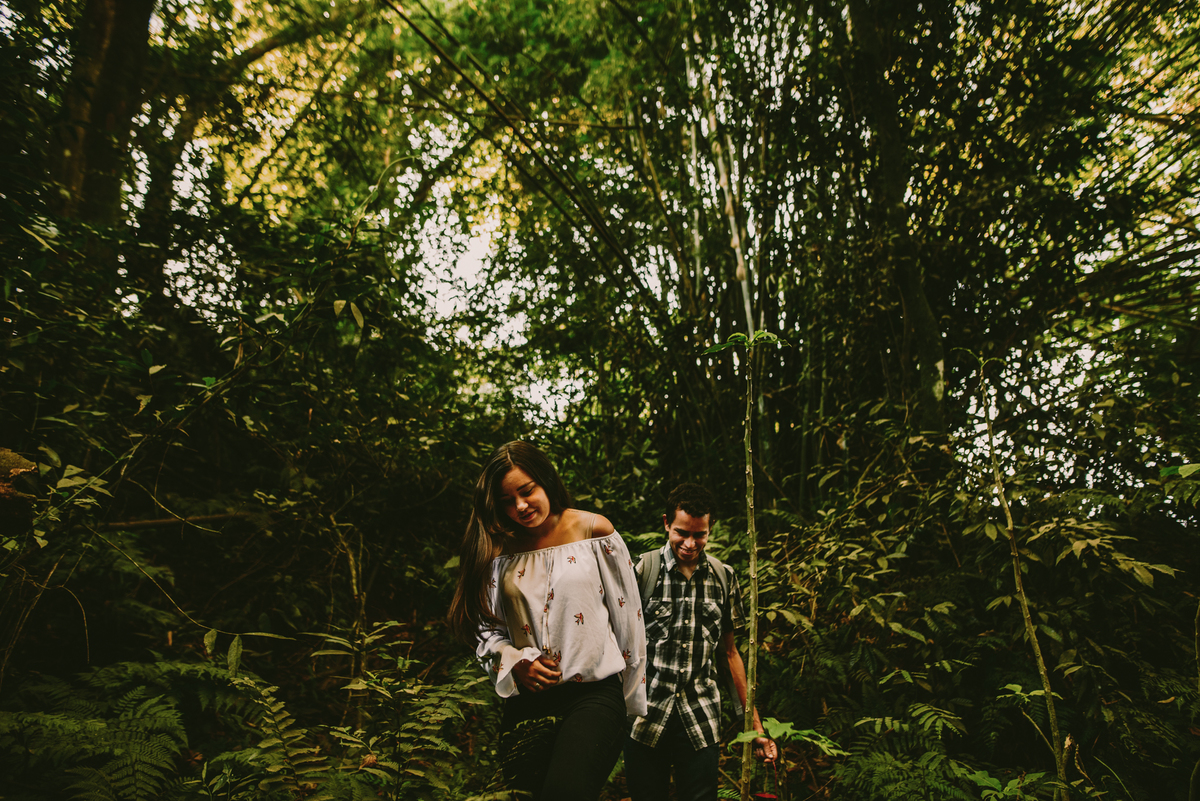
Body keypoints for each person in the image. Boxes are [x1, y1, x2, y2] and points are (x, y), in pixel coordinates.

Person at [448, 441, 647, 800]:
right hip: (527, 701)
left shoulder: (594, 530)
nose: (520, 507)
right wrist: (515, 663)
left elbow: (628, 618)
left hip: (594, 694)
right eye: (507, 501)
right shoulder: (499, 548)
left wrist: (633, 702)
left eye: (526, 492)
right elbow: (485, 631)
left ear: (545, 480)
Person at [625, 482, 778, 801]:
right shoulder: (643, 571)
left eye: (700, 534)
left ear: (710, 530)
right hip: (646, 713)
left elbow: (730, 654)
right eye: (682, 532)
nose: (690, 543)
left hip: (701, 714)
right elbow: (620, 647)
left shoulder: (724, 577)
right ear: (666, 523)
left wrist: (755, 729)